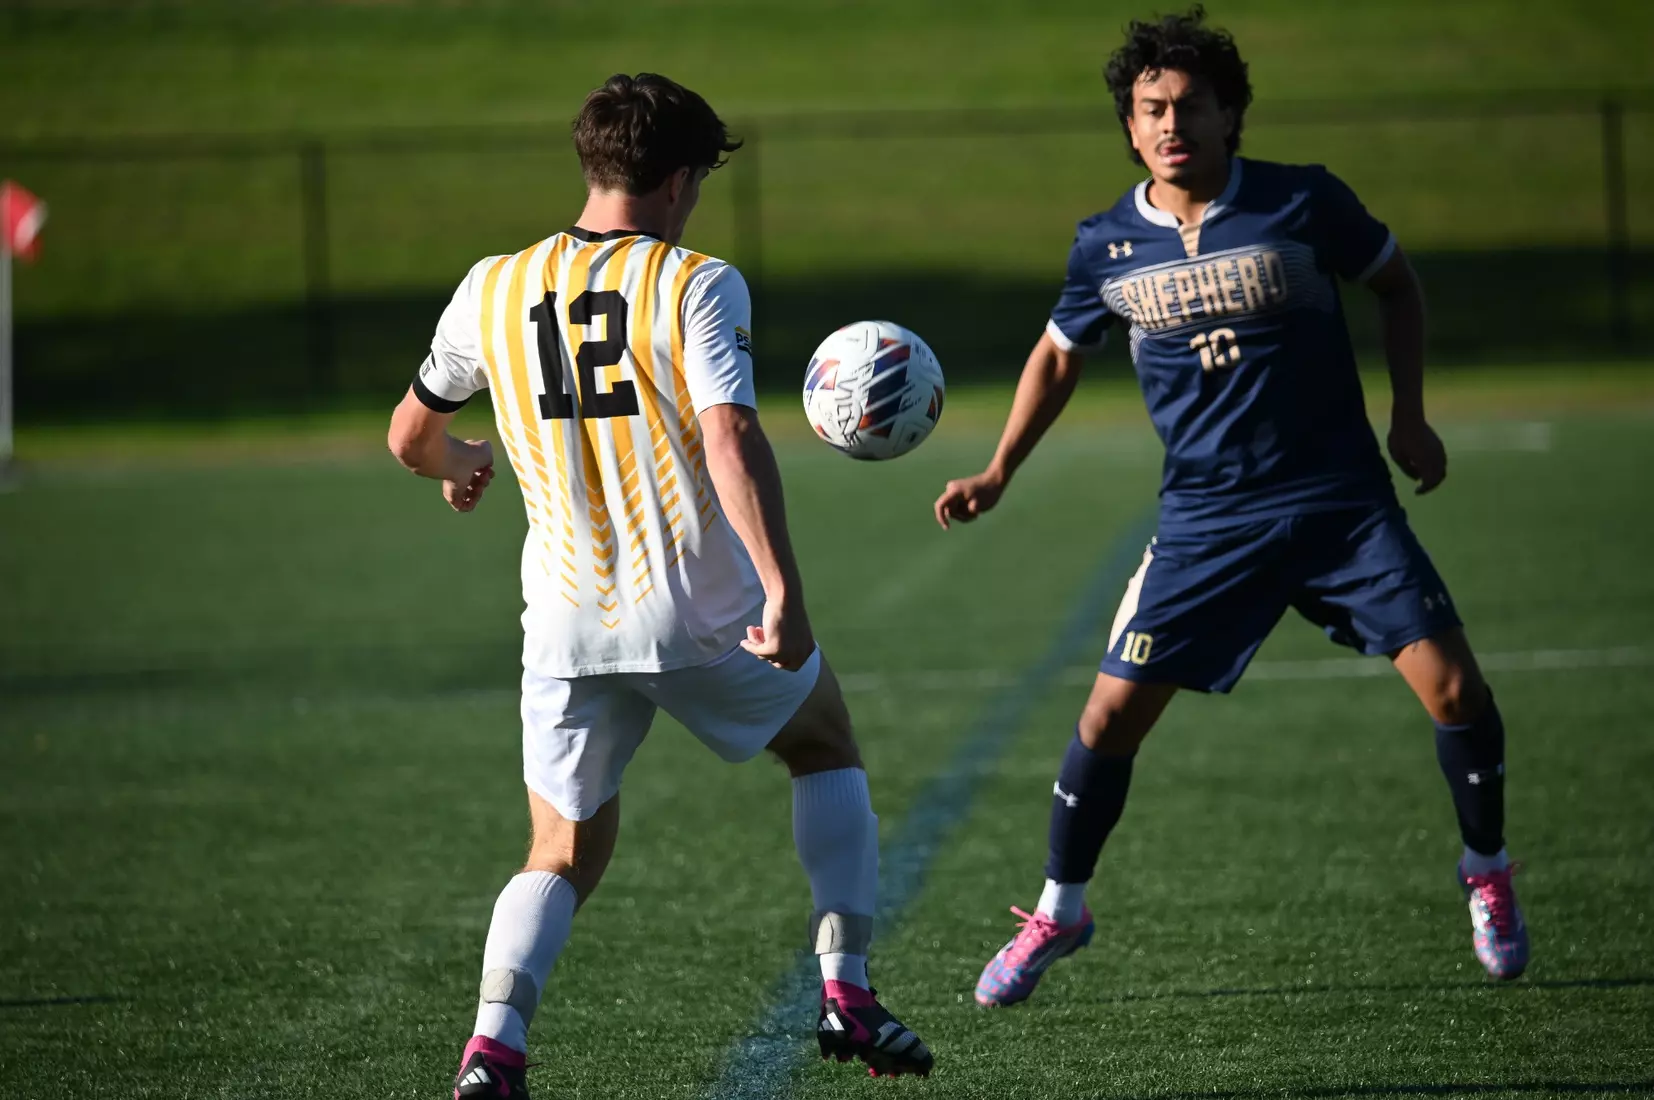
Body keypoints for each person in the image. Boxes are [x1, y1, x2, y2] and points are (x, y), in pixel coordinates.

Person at [934, 7, 1528, 1008]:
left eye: (1189, 106)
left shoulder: (1302, 203)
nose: (1170, 123)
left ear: (1230, 114)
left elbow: (1397, 286)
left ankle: (1487, 867)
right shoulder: (1105, 246)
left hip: (1339, 503)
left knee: (1457, 693)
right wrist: (997, 469)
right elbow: (1056, 355)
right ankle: (1059, 907)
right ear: (1128, 126)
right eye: (1149, 108)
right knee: (1108, 714)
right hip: (1207, 521)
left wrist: (1410, 417)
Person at [387, 73, 933, 1098]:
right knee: (820, 739)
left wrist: (457, 460)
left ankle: (491, 1052)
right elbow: (728, 431)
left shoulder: (491, 284)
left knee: (557, 846)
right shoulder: (695, 280)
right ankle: (848, 989)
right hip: (694, 611)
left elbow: (409, 433)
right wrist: (783, 589)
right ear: (679, 178)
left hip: (561, 623)